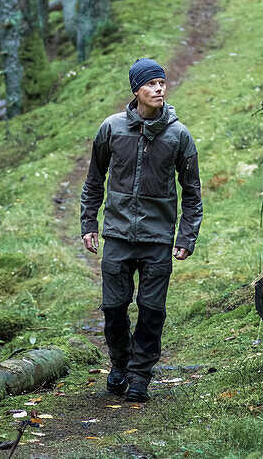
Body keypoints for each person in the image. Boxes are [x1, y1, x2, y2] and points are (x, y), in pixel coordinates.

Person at [80, 57, 202, 402]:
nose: (159, 88)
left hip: (158, 238)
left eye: (162, 82)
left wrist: (186, 237)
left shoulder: (179, 135)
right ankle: (119, 364)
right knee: (114, 308)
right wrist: (89, 222)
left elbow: (192, 193)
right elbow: (93, 181)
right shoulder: (112, 129)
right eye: (151, 83)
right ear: (136, 90)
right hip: (118, 234)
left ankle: (140, 375)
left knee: (152, 310)